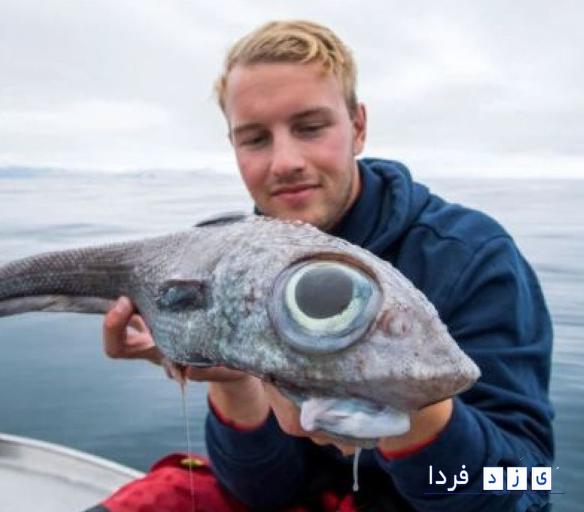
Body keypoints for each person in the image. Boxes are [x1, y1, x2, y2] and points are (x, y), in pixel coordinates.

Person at [97, 20, 554, 512]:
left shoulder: (471, 255)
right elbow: (263, 495)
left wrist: (414, 412)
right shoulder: (224, 271)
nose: (285, 161)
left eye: (311, 128)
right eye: (255, 139)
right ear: (233, 147)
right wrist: (236, 383)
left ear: (358, 127)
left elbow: (525, 489)